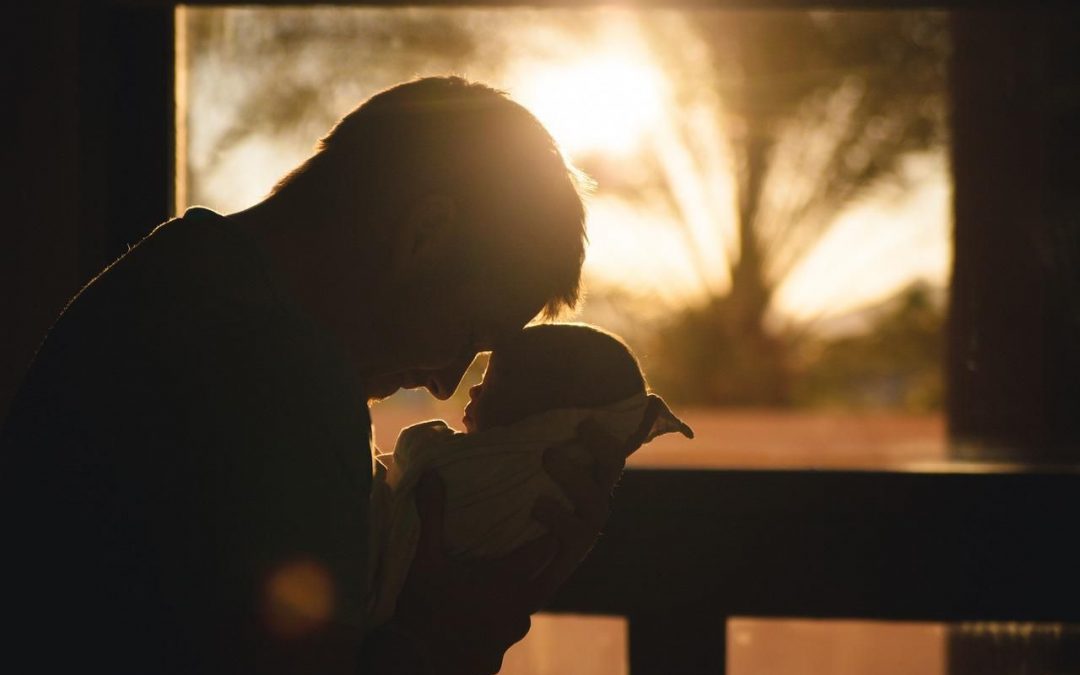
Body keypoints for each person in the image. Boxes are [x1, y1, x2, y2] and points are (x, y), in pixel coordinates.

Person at [0, 77, 656, 674]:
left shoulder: (168, 276)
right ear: (424, 234)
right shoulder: (286, 376)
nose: (446, 385)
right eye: (465, 336)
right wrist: (465, 628)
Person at [366, 323, 694, 627]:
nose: (469, 390)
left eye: (493, 381)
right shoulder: (557, 499)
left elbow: (410, 469)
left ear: (547, 420)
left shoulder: (495, 475)